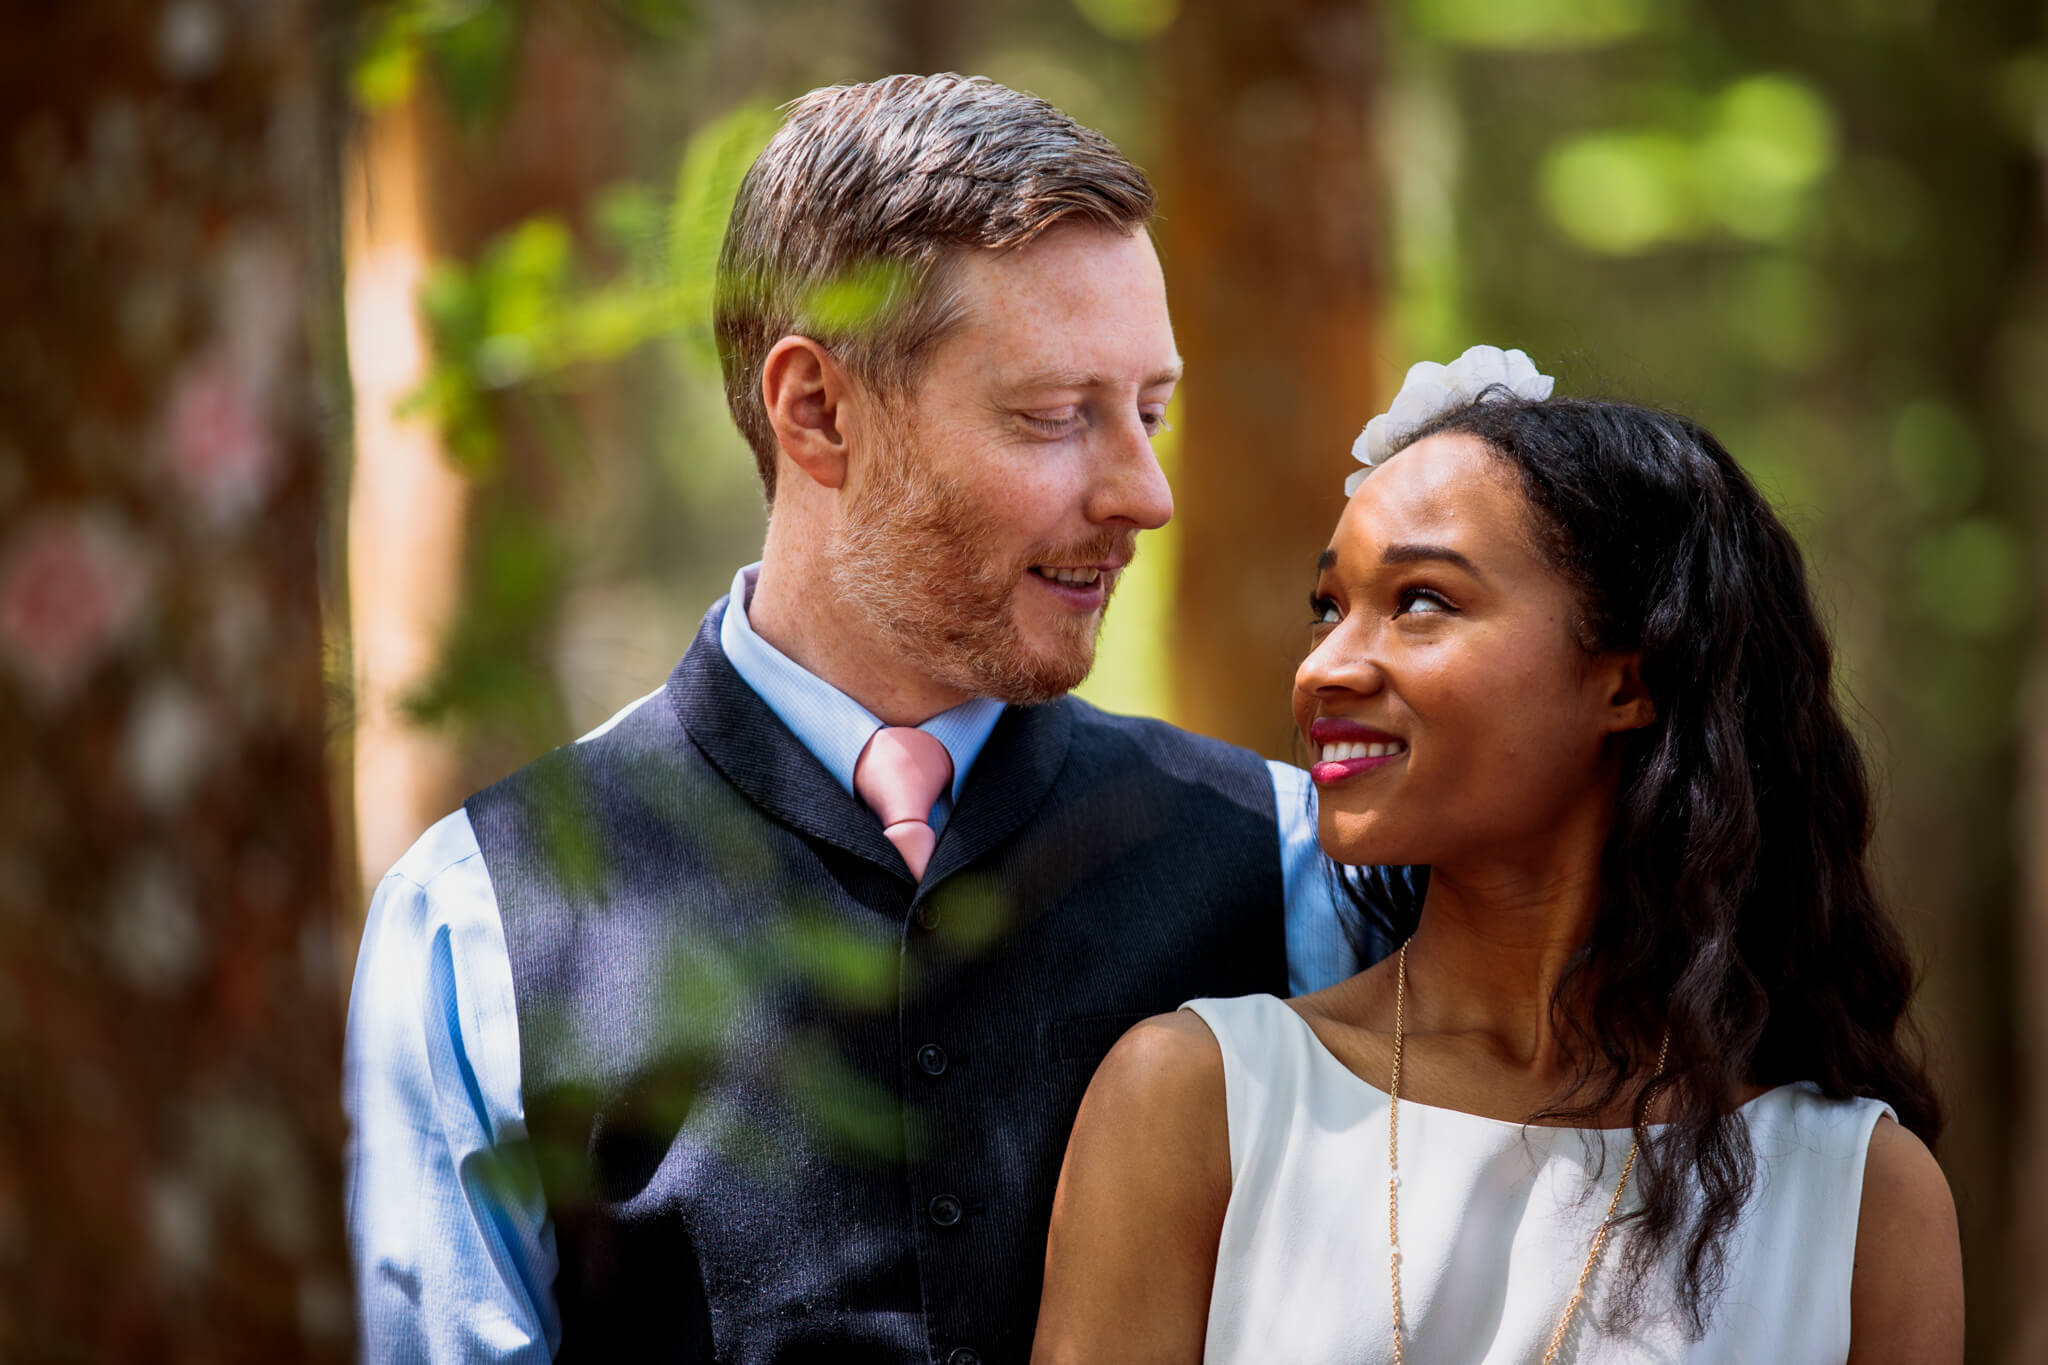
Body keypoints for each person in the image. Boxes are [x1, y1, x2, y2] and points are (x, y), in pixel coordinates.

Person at [344, 74, 1375, 1364]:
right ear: (817, 411)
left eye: (1150, 412)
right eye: (1057, 417)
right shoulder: (476, 917)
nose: (1144, 493)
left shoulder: (1290, 866)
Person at [1033, 348, 1964, 1364]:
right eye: (1328, 608)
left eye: (1420, 601)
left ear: (1626, 681)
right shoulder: (1196, 1097)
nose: (1325, 668)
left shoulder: (1856, 1193)